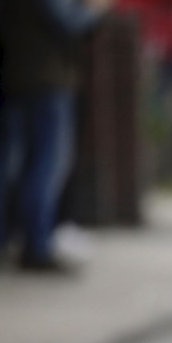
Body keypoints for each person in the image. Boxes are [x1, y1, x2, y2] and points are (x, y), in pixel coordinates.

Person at [0, 0, 113, 272]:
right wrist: (95, 10)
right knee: (48, 165)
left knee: (14, 165)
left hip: (15, 78)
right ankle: (37, 244)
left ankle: (14, 238)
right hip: (45, 80)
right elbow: (70, 22)